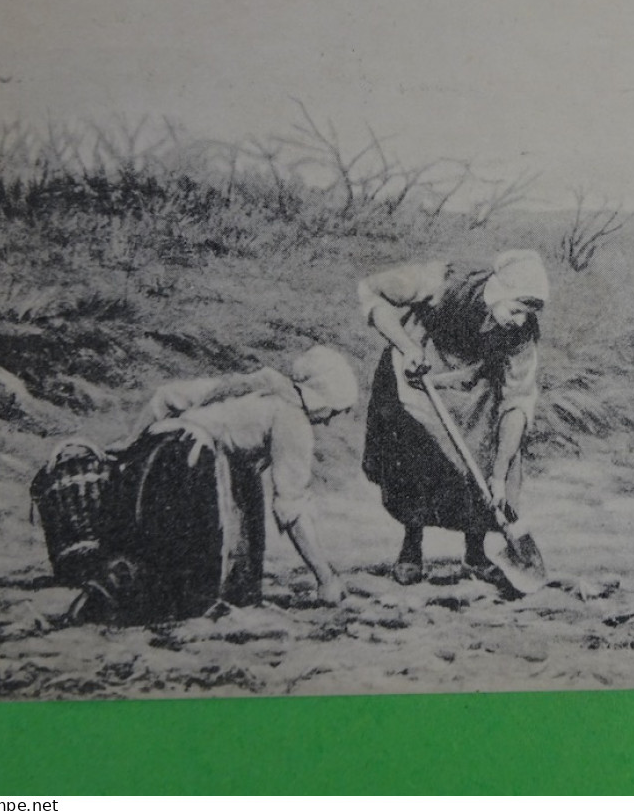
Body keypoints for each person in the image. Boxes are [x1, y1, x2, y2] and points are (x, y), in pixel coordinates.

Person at [358, 249, 546, 586]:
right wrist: (407, 347)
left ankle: (475, 553)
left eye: (525, 314)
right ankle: (411, 546)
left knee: (487, 456)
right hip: (419, 374)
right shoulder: (442, 281)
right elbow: (370, 290)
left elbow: (518, 400)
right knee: (415, 459)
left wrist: (500, 475)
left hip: (472, 385)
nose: (519, 320)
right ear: (497, 291)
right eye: (515, 309)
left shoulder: (522, 333)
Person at [121, 345, 358, 610]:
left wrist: (129, 447)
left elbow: (164, 397)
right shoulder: (293, 418)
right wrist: (325, 578)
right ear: (320, 400)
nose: (327, 422)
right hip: (193, 462)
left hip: (160, 453)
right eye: (334, 412)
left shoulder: (251, 386)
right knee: (200, 585)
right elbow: (291, 507)